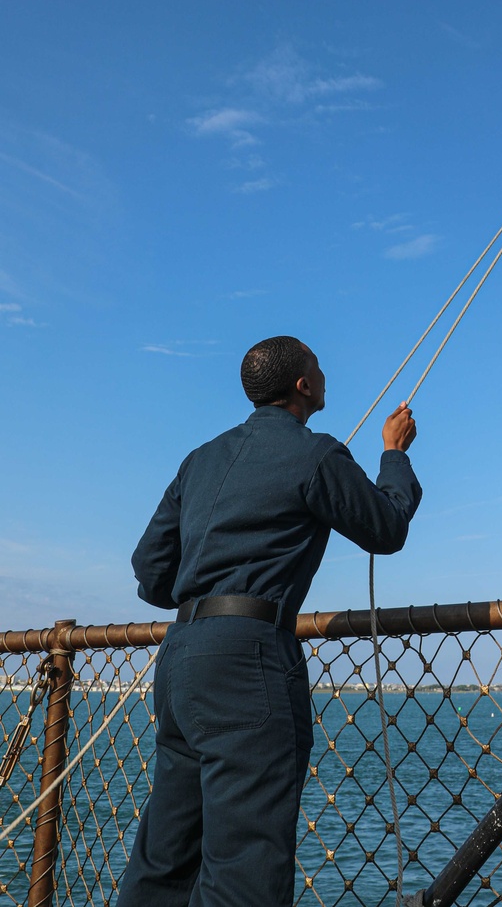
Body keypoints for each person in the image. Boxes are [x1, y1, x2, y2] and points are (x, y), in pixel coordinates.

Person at [115, 335, 421, 907]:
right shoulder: (315, 454)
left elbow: (150, 573)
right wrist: (394, 454)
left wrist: (203, 600)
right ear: (303, 385)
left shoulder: (200, 459)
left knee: (165, 853)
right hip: (248, 660)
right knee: (245, 866)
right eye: (319, 365)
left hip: (182, 657)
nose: (326, 371)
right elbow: (386, 528)